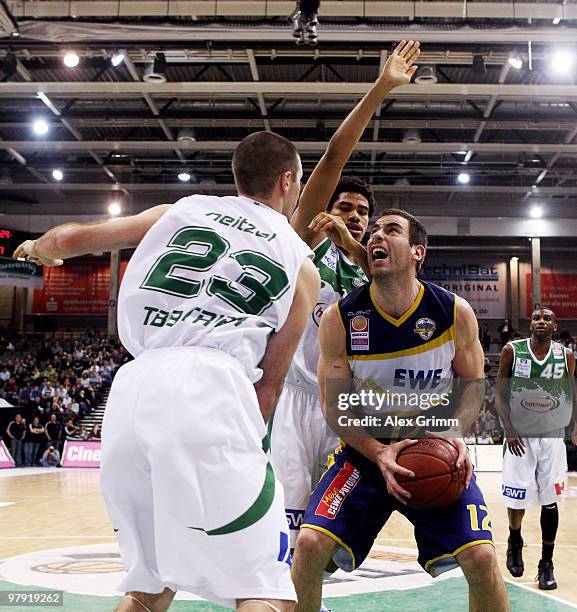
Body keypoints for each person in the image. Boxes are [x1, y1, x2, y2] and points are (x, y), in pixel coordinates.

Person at [14, 130, 320, 612]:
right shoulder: (302, 266)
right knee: (265, 588)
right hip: (214, 389)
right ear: (287, 181)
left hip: (135, 388)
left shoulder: (184, 208)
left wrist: (36, 247)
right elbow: (271, 383)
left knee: (149, 589)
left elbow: (70, 239)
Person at [291, 209, 510, 612]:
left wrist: (452, 433)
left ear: (416, 252)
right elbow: (334, 405)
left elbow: (472, 389)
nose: (377, 235)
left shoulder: (452, 312)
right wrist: (379, 453)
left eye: (392, 230)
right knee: (307, 547)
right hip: (366, 456)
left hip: (432, 451)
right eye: (374, 230)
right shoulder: (341, 319)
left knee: (481, 558)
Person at [270, 39, 420, 549]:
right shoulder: (300, 244)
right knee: (288, 523)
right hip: (293, 399)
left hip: (349, 405)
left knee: (326, 535)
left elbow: (390, 279)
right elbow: (335, 156)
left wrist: (353, 242)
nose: (356, 215)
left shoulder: (376, 265)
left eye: (364, 211)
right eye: (347, 206)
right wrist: (381, 88)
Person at [495, 307, 577, 590]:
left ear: (555, 327)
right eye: (536, 318)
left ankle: (546, 563)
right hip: (520, 436)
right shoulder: (512, 351)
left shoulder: (564, 355)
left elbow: (569, 391)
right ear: (530, 325)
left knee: (550, 499)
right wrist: (509, 428)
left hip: (552, 436)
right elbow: (499, 393)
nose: (541, 322)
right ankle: (514, 539)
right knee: (516, 497)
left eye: (547, 319)